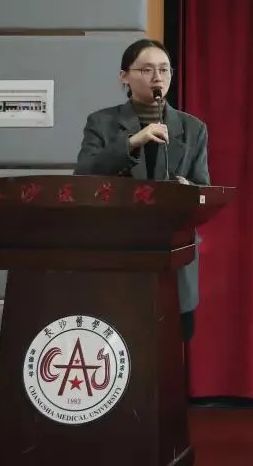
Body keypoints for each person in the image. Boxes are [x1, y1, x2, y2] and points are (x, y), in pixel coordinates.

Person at [74, 38, 209, 342]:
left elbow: (203, 189)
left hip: (173, 259)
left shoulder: (193, 128)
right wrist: (133, 142)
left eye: (164, 69)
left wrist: (188, 190)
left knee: (172, 351)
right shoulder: (102, 122)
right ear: (124, 76)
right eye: (147, 70)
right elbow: (84, 174)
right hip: (118, 256)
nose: (157, 77)